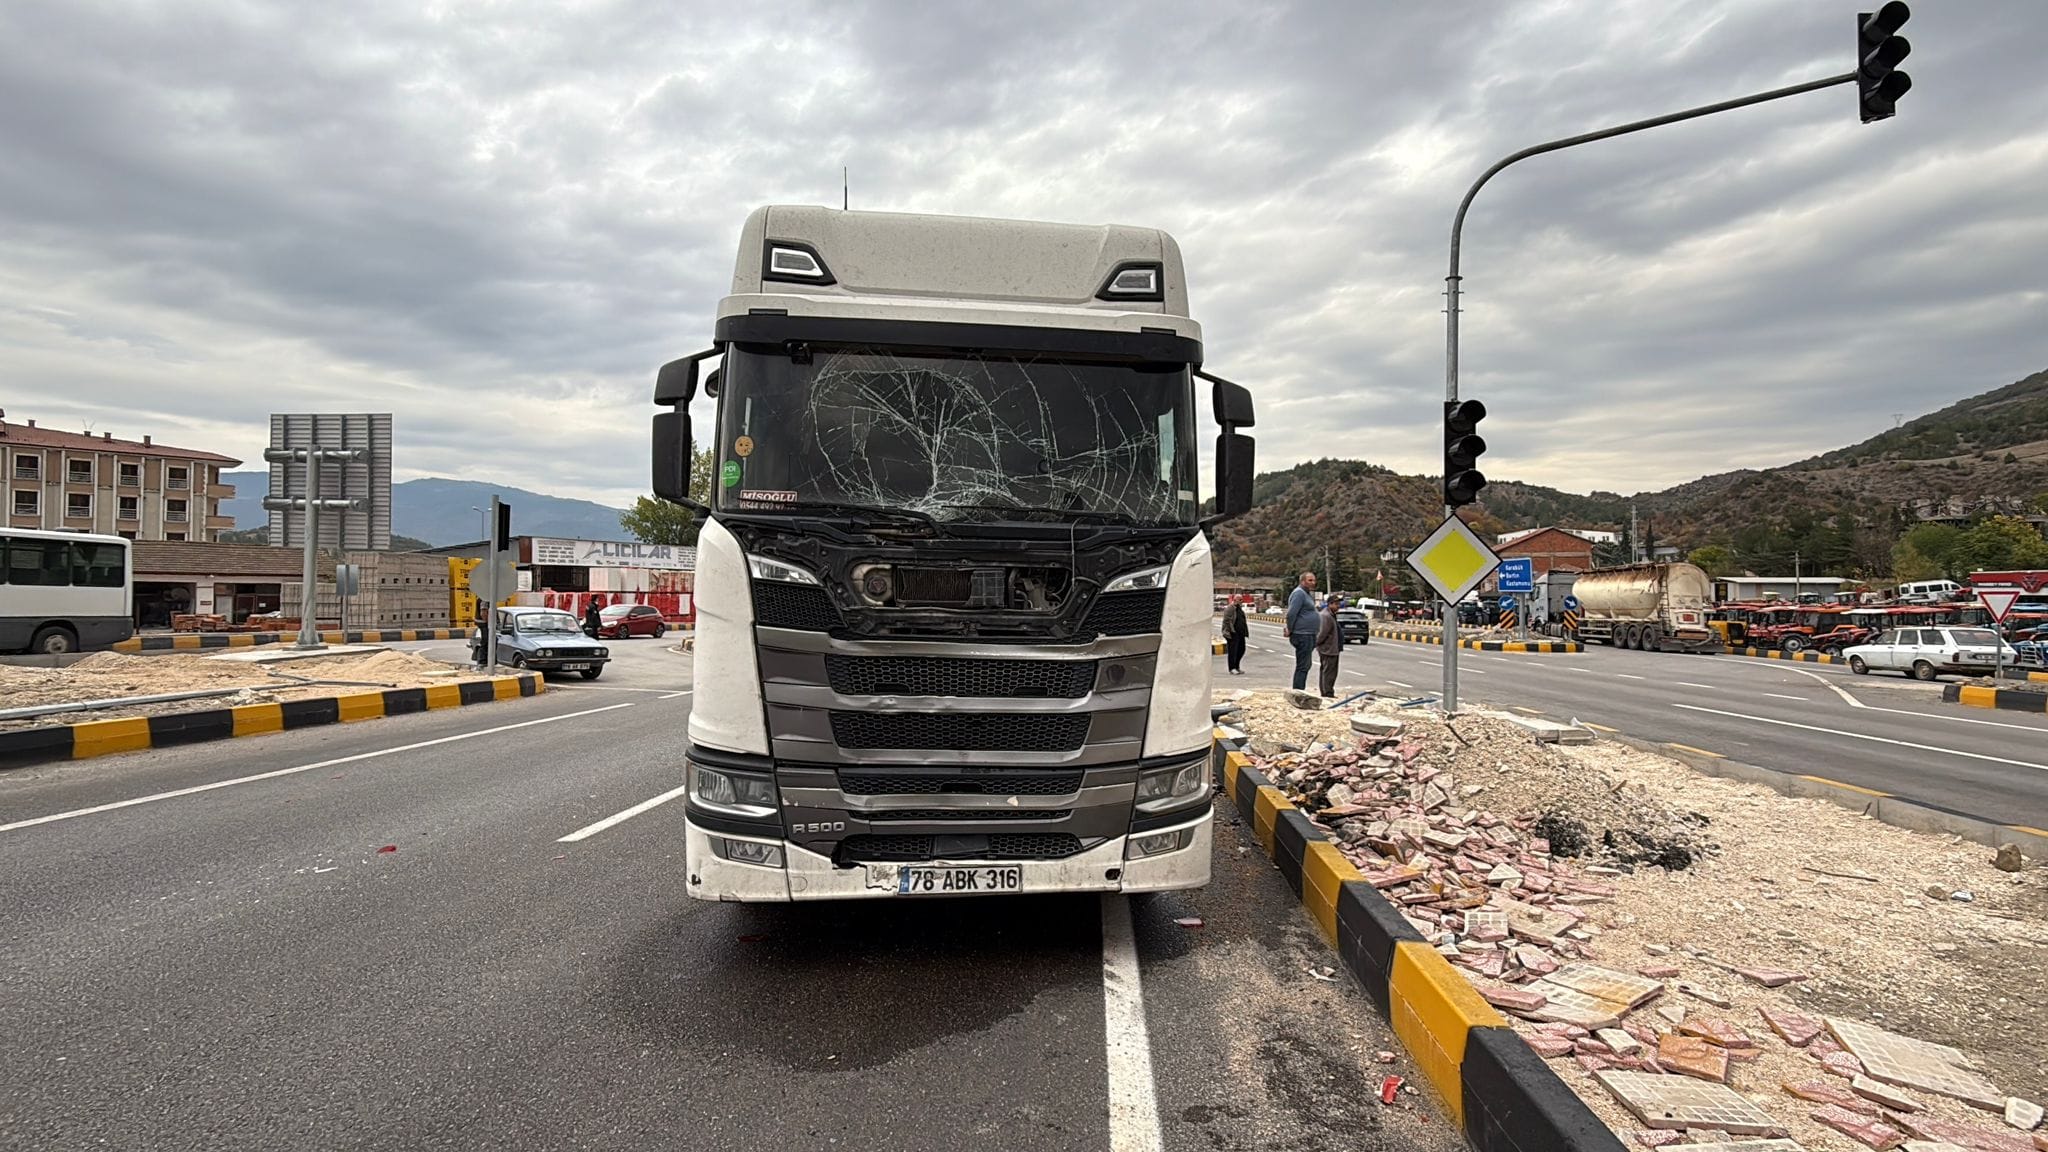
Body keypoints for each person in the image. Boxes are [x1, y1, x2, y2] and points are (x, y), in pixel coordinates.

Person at [1284, 571, 1319, 691]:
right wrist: (1290, 629)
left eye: (1314, 580)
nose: (1313, 582)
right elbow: (1291, 614)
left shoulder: (1307, 594)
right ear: (1302, 581)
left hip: (1309, 634)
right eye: (1310, 580)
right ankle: (1298, 691)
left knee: (1306, 665)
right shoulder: (1299, 593)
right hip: (1302, 634)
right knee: (1303, 665)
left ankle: (1299, 690)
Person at [1316, 594, 1343, 698]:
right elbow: (1322, 633)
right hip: (1328, 649)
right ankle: (1327, 693)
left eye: (1338, 604)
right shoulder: (1326, 616)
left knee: (1328, 671)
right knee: (1329, 672)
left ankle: (1326, 691)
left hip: (1332, 648)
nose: (1338, 606)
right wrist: (1317, 644)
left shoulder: (1331, 615)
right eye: (1336, 604)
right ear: (1330, 604)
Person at [1222, 596, 1249, 675]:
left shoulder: (1239, 608)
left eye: (1242, 600)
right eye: (1239, 600)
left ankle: (1237, 666)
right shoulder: (1230, 608)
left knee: (1241, 650)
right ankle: (1232, 668)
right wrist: (1231, 631)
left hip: (1241, 633)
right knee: (1233, 651)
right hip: (1233, 633)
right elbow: (1227, 620)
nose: (1241, 601)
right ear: (1234, 600)